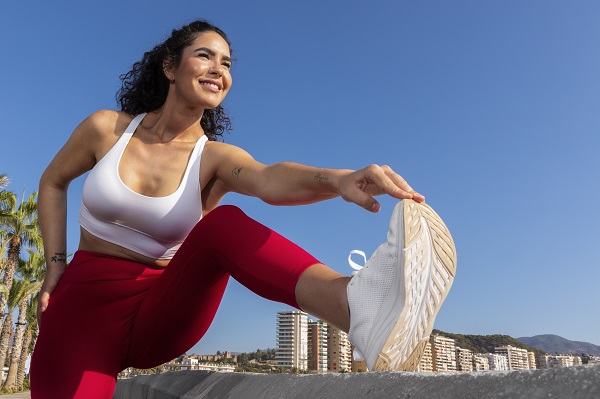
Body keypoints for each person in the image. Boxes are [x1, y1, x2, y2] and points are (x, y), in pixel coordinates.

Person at [30, 20, 456, 398]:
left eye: (227, 63)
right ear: (169, 67)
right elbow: (52, 181)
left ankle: (355, 305)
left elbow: (269, 178)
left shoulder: (211, 157)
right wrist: (55, 264)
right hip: (80, 310)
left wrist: (339, 179)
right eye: (205, 56)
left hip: (159, 307)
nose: (220, 69)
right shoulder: (106, 129)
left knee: (222, 226)